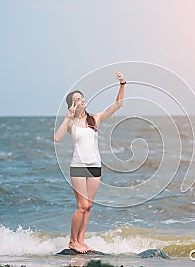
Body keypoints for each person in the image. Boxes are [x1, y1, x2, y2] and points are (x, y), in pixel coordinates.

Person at [54, 72, 126, 253]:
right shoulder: (71, 122)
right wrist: (68, 117)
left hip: (95, 166)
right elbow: (57, 137)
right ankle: (72, 241)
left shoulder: (94, 118)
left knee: (89, 206)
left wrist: (123, 84)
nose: (82, 100)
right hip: (78, 167)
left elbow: (118, 105)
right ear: (72, 104)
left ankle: (81, 240)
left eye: (82, 97)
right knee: (82, 206)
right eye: (77, 99)